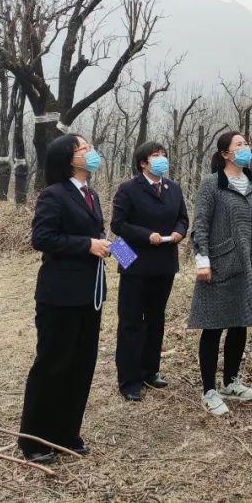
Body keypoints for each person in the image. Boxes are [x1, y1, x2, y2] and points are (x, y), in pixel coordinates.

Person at [18, 134, 110, 464]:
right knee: (53, 365)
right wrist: (86, 245)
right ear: (68, 159)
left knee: (81, 365)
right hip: (59, 295)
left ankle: (66, 433)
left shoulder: (92, 195)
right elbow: (42, 238)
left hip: (90, 295)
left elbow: (99, 235)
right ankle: (34, 440)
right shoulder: (53, 195)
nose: (90, 152)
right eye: (83, 149)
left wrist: (125, 256)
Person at [188, 131, 252, 417]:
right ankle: (209, 390)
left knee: (241, 322)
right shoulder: (211, 184)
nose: (246, 148)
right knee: (213, 325)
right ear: (225, 154)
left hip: (250, 263)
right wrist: (202, 259)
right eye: (239, 145)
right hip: (219, 264)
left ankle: (230, 381)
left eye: (246, 144)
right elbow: (200, 223)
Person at [110, 141, 189, 401]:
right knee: (131, 321)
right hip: (133, 261)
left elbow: (183, 218)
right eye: (156, 156)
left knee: (156, 319)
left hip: (165, 262)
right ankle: (129, 380)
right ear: (143, 162)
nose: (162, 159)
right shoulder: (128, 189)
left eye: (164, 155)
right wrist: (147, 236)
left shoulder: (173, 188)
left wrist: (179, 231)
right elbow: (117, 225)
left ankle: (150, 371)